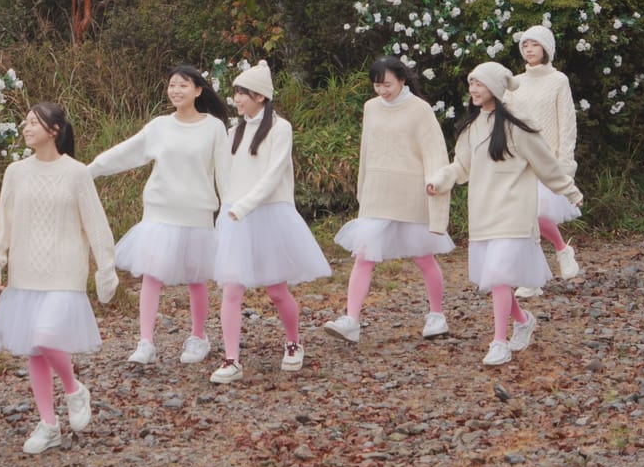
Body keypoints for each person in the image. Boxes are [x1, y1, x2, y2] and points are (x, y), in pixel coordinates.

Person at [0, 103, 119, 454]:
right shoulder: (16, 172)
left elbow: (96, 224)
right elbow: (4, 223)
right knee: (34, 349)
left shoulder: (76, 173)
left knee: (45, 337)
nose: (26, 128)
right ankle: (48, 424)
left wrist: (106, 268)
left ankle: (74, 390)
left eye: (34, 122)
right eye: (26, 122)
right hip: (24, 273)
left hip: (65, 272)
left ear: (54, 130)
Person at [433, 63, 583, 366]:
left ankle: (499, 342)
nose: (473, 89)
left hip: (514, 213)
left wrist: (569, 190)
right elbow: (460, 167)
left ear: (495, 88)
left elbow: (546, 164)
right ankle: (524, 321)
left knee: (500, 276)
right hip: (483, 214)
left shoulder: (518, 126)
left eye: (479, 84)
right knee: (495, 280)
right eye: (471, 83)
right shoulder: (472, 128)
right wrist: (439, 181)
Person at [87, 67, 228, 366]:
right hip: (159, 211)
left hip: (198, 213)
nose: (176, 90)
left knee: (197, 278)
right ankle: (145, 342)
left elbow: (224, 173)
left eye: (183, 85)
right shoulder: (159, 126)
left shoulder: (214, 128)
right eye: (172, 85)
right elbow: (127, 152)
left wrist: (229, 210)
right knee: (151, 276)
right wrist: (93, 169)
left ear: (198, 90)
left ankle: (198, 337)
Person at [208, 61, 330, 384]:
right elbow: (225, 175)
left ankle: (293, 341)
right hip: (237, 216)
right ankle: (231, 358)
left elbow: (274, 174)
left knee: (276, 289)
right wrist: (226, 208)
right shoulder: (233, 132)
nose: (236, 99)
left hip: (269, 214)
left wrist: (244, 205)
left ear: (260, 96)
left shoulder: (280, 128)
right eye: (235, 93)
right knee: (232, 288)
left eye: (242, 93)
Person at [326, 56, 454, 342]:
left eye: (387, 85)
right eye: (377, 85)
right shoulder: (371, 108)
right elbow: (366, 151)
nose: (382, 91)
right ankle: (351, 320)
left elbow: (435, 150)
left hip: (412, 190)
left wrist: (437, 182)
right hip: (378, 191)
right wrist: (363, 188)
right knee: (364, 255)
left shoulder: (420, 109)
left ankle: (437, 315)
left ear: (402, 80)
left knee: (423, 256)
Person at [506, 24, 584, 297]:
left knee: (537, 214)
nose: (529, 50)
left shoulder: (558, 80)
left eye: (534, 44)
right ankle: (532, 279)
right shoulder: (514, 83)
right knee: (523, 220)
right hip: (519, 160)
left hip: (548, 159)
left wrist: (565, 163)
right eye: (525, 45)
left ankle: (562, 249)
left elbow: (567, 124)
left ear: (546, 48)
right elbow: (504, 120)